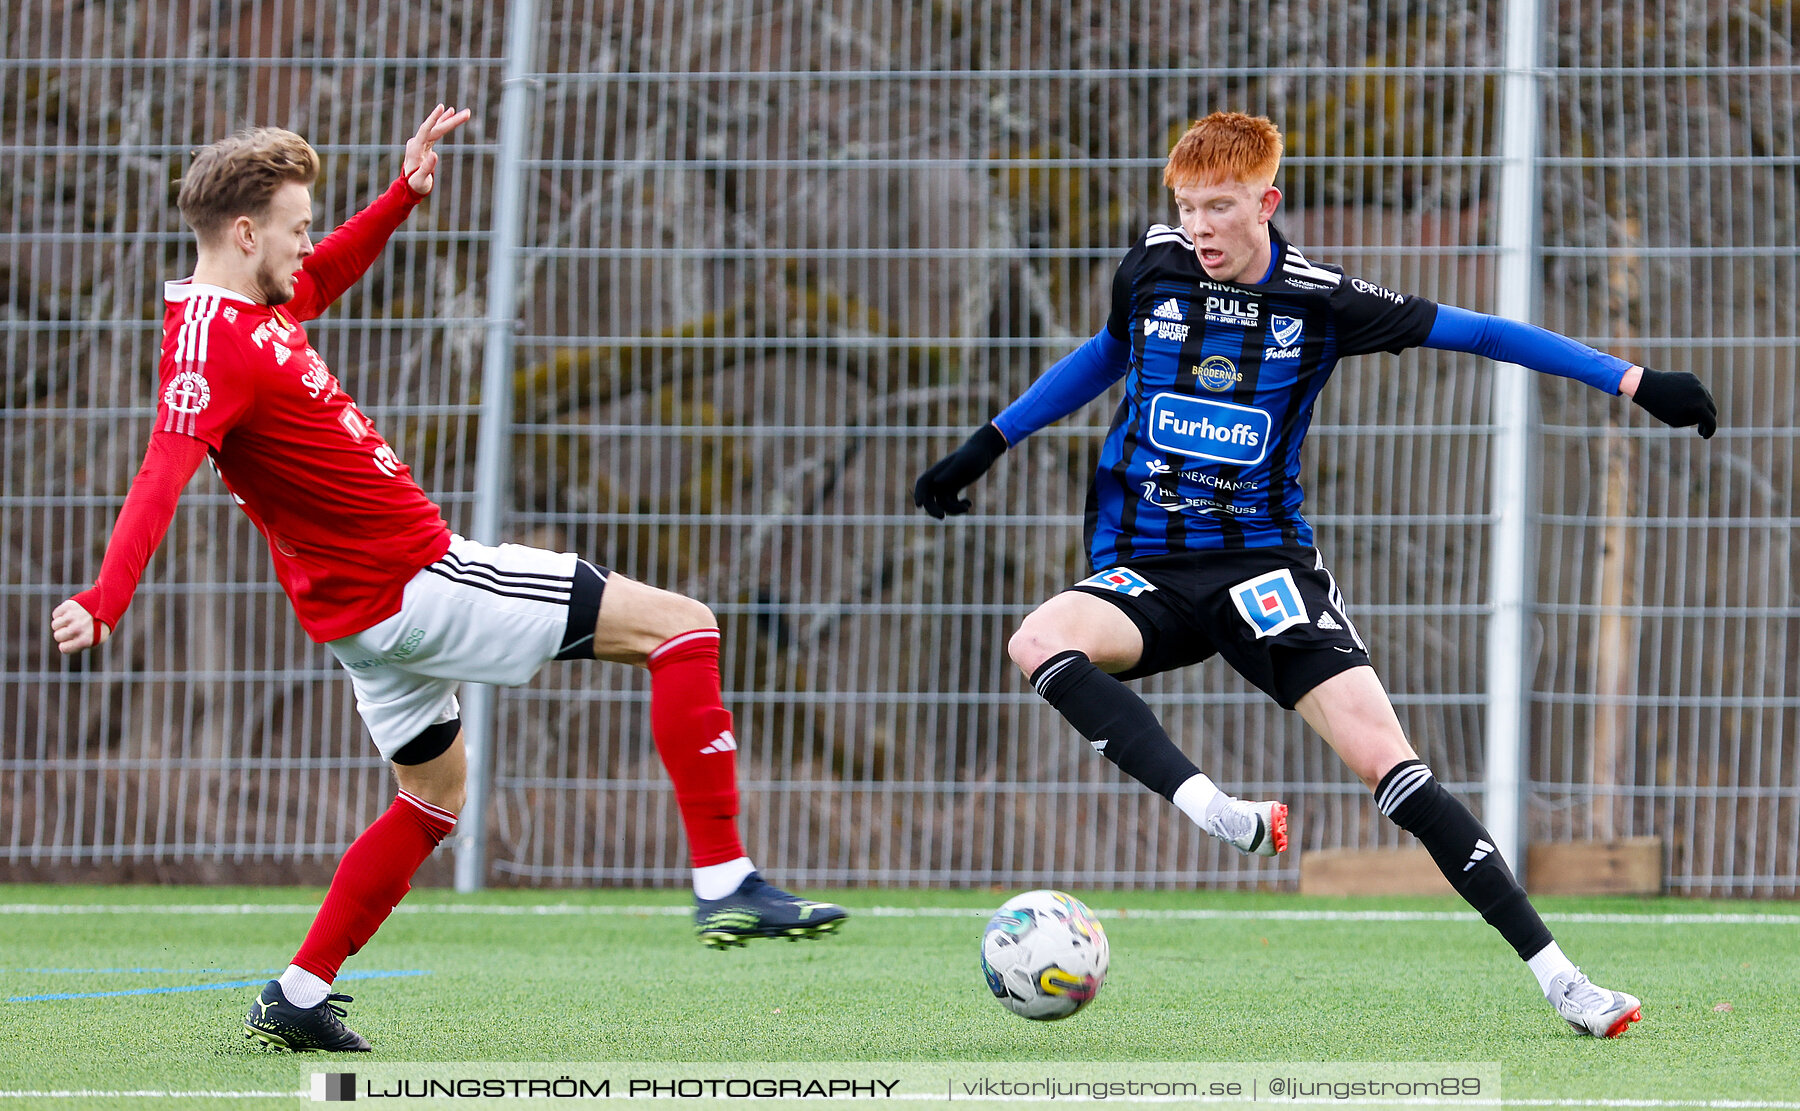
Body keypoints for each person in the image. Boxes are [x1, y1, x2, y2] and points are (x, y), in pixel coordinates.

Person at [51, 108, 845, 1053]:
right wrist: (106, 598)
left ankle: (299, 991)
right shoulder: (210, 345)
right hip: (419, 582)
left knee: (431, 797)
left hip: (365, 617)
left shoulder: (257, 304)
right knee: (684, 627)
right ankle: (725, 880)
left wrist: (401, 199)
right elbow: (161, 470)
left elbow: (328, 273)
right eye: (299, 226)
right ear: (245, 232)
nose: (310, 242)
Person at [914, 112, 1716, 1038]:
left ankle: (1565, 980)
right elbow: (1106, 353)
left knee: (1395, 768)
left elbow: (1487, 333)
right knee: (1038, 637)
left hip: (1266, 569)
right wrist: (985, 445)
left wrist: (1633, 380)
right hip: (1150, 572)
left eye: (1220, 206)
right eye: (1187, 206)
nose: (1201, 226)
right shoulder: (1152, 267)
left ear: (1268, 201)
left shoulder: (1322, 301)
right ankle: (1212, 808)